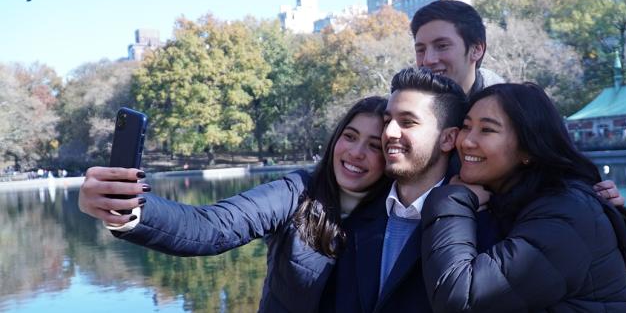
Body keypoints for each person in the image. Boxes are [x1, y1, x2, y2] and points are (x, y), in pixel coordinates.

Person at [78, 96, 392, 313]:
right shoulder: (298, 192)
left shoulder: (399, 213)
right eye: (350, 136)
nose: (356, 152)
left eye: (374, 145)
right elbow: (211, 228)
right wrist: (130, 208)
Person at [420, 83, 626, 312]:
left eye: (487, 130)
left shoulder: (566, 216)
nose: (466, 141)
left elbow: (459, 297)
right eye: (466, 126)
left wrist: (452, 199)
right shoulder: (508, 200)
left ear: (528, 148)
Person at [411, 0, 623, 205]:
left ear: (477, 50)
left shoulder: (519, 112)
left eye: (442, 46)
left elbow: (560, 170)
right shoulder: (402, 115)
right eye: (420, 49)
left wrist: (596, 199)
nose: (428, 59)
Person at [323, 67, 482, 313]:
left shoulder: (480, 224)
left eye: (407, 122)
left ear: (448, 139)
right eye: (388, 121)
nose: (388, 133)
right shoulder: (355, 219)